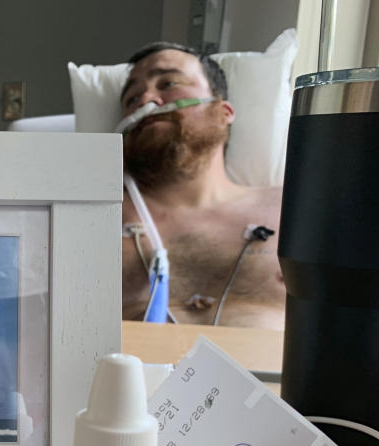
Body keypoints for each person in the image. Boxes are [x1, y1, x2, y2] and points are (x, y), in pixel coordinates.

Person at [119, 42, 285, 330]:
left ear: (224, 111)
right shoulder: (90, 216)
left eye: (169, 83)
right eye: (132, 99)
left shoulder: (293, 210)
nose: (146, 99)